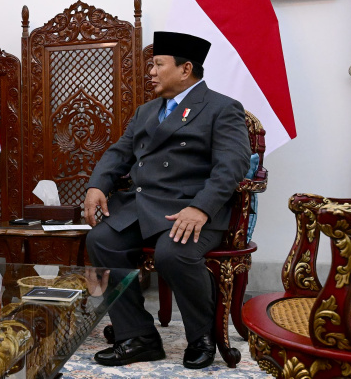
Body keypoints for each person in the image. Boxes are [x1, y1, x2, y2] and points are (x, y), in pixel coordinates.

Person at [84, 31, 251, 369]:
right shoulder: (146, 111)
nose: (151, 72)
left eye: (158, 65)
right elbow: (118, 153)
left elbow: (232, 165)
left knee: (172, 253)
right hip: (143, 205)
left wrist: (201, 207)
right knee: (101, 240)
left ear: (185, 69)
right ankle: (137, 336)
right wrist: (97, 185)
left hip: (192, 208)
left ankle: (202, 336)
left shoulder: (222, 108)